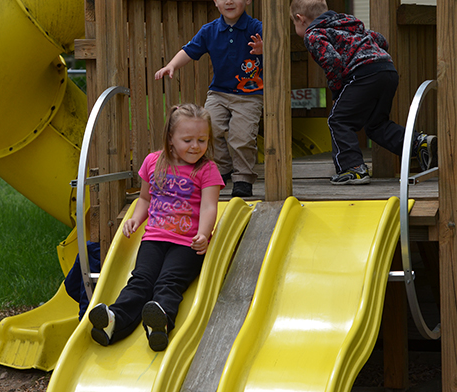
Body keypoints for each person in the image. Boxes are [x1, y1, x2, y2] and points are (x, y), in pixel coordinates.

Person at [88, 103, 223, 352]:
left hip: (187, 244)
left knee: (168, 282)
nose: (196, 146)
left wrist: (203, 234)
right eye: (188, 140)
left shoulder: (207, 169)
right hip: (153, 238)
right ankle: (114, 322)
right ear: (170, 138)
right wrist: (135, 220)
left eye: (202, 140)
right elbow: (145, 199)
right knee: (140, 280)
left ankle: (159, 323)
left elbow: (209, 207)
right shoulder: (153, 162)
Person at [290, 0, 438, 185]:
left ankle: (353, 168)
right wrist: (372, 57)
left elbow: (332, 60)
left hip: (363, 75)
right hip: (387, 71)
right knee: (376, 125)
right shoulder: (347, 22)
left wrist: (337, 92)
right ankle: (418, 144)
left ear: (300, 19)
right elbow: (381, 40)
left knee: (339, 120)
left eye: (294, 24)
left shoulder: (313, 34)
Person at [154, 0, 264, 197]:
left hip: (250, 94)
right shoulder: (210, 31)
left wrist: (265, 50)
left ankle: (243, 177)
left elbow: (277, 48)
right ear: (215, 2)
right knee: (210, 129)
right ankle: (223, 168)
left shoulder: (257, 28)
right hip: (219, 92)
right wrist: (172, 65)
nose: (229, 1)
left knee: (242, 136)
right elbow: (189, 50)